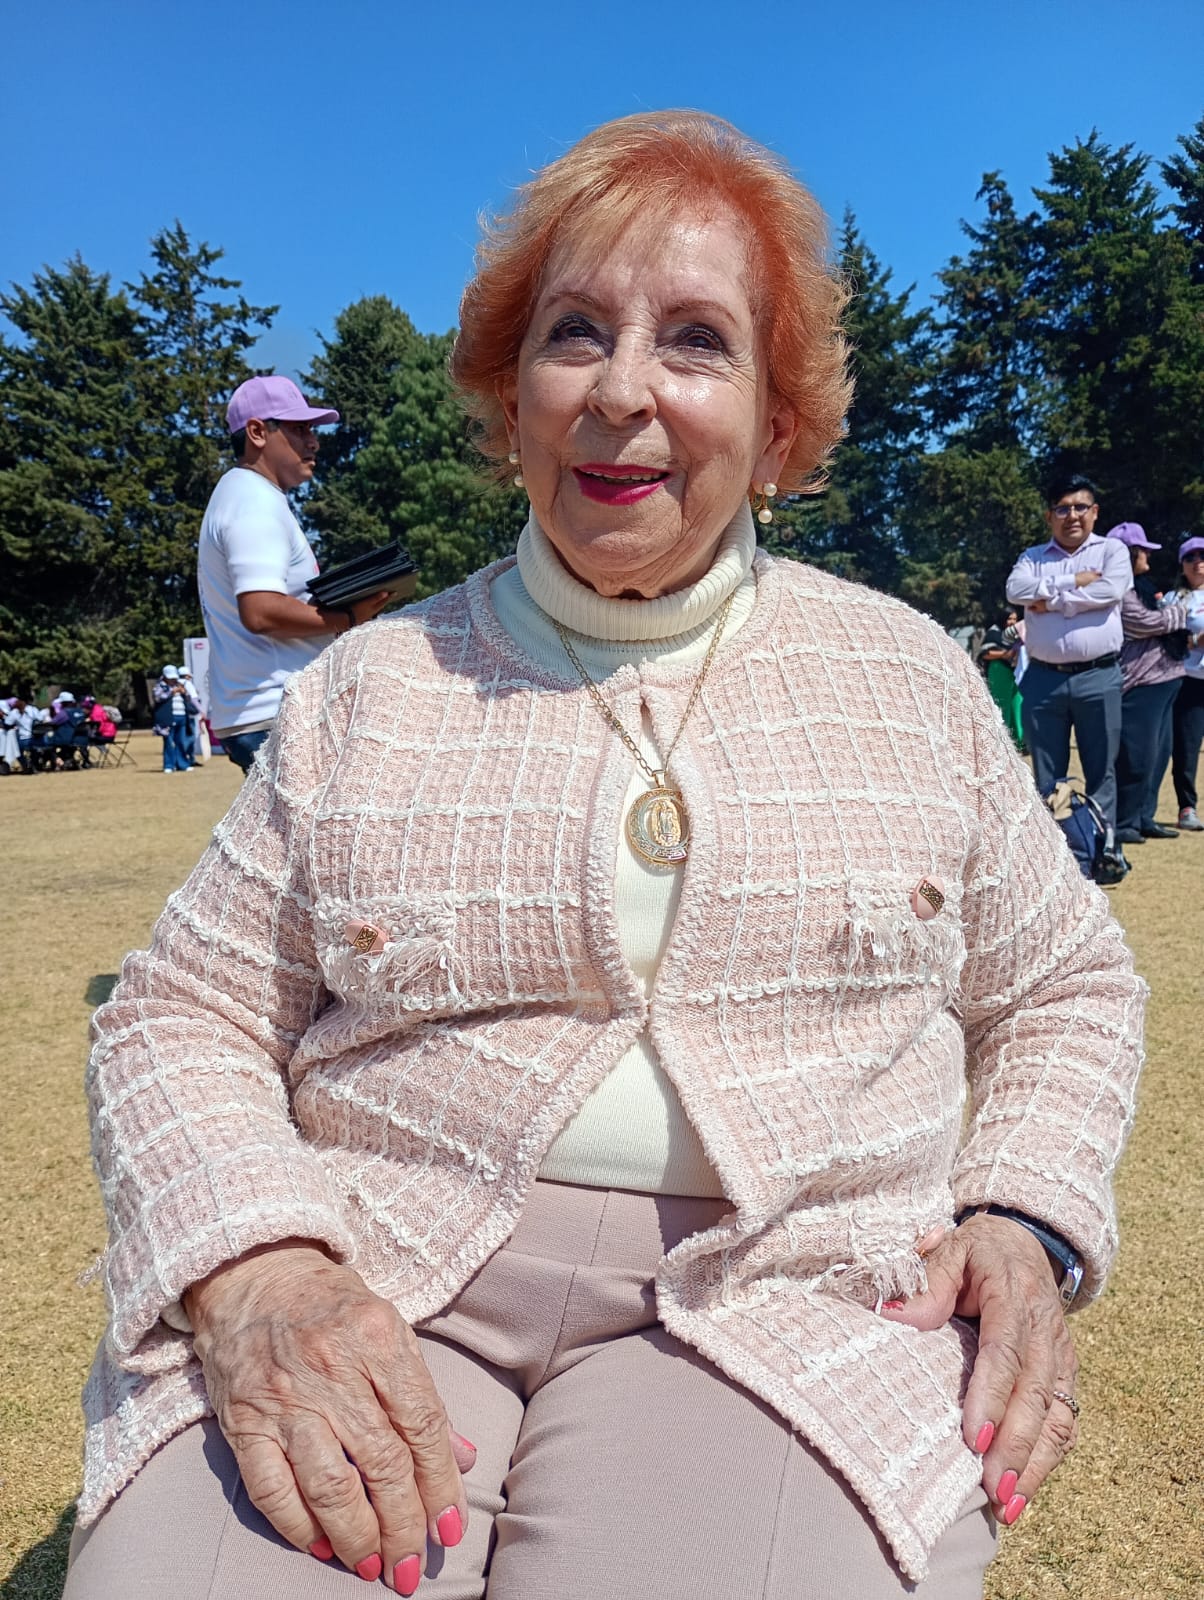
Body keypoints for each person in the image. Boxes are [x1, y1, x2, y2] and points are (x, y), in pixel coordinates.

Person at [69, 112, 1144, 1600]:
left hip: (797, 1286)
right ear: (512, 404)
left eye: (696, 341)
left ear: (778, 430)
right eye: (574, 334)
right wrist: (255, 1264)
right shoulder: (368, 690)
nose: (621, 390)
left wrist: (1020, 1209)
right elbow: (177, 1012)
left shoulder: (909, 678)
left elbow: (1066, 987)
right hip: (371, 1258)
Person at [196, 375, 392, 776]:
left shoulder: (242, 494)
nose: (313, 442)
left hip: (263, 713)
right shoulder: (254, 500)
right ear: (257, 432)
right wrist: (347, 617)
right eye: (299, 429)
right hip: (274, 715)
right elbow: (261, 611)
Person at [1006, 475, 1131, 834]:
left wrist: (1050, 603)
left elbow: (1110, 591)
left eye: (1080, 507)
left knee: (1102, 770)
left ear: (1095, 512)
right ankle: (1055, 847)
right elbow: (1015, 590)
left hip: (1098, 676)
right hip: (1043, 678)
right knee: (1047, 774)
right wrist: (1073, 581)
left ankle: (1103, 847)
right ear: (1049, 516)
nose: (1072, 515)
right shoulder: (1032, 557)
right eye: (1062, 509)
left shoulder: (1111, 551)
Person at [1108, 523, 1191, 844]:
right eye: (1143, 550)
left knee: (1159, 754)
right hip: (1140, 682)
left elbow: (1157, 620)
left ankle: (1144, 816)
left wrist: (1169, 615)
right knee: (1137, 756)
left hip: (1166, 679)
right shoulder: (1119, 590)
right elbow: (1142, 623)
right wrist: (1177, 614)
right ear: (1127, 554)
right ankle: (1124, 821)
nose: (1148, 556)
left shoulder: (1141, 587)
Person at [1168, 535, 1204, 830]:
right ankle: (1186, 807)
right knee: (1186, 747)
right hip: (1189, 681)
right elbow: (1167, 641)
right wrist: (1196, 640)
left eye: (1203, 556)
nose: (1198, 562)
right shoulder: (1174, 599)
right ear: (1182, 565)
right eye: (1190, 557)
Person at [977, 609, 1025, 749]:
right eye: (1009, 619)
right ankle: (1003, 742)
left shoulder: (1016, 634)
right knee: (1002, 706)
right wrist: (1004, 654)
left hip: (1015, 672)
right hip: (1000, 670)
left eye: (1015, 619)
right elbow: (985, 653)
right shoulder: (994, 633)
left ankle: (1019, 742)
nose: (1012, 622)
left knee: (1018, 705)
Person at [151, 666, 199, 774]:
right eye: (171, 678)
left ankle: (182, 764)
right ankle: (169, 765)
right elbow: (157, 698)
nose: (173, 680)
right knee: (169, 742)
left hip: (182, 716)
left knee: (181, 742)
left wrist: (184, 692)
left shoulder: (179, 685)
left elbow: (189, 699)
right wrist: (171, 692)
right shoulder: (160, 686)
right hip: (168, 718)